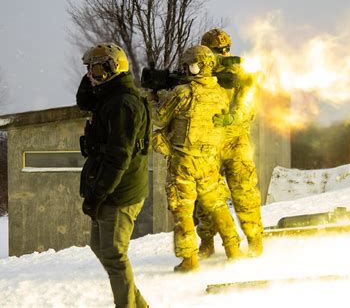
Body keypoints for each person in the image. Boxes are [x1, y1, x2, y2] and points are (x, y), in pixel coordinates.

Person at [150, 45, 242, 272]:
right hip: (209, 161)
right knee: (218, 205)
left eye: (189, 65)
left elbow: (159, 119)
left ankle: (189, 260)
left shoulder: (182, 94)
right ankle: (233, 249)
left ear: (196, 66)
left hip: (184, 162)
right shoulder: (220, 92)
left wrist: (154, 97)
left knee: (182, 210)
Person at [77, 42, 151, 308]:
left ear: (112, 68)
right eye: (89, 70)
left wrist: (99, 194)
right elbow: (83, 101)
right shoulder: (109, 95)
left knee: (114, 255)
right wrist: (90, 80)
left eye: (96, 69)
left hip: (119, 193)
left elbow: (119, 156)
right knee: (101, 248)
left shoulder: (123, 103)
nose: (91, 76)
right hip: (110, 188)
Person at [196, 28, 264, 258]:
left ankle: (254, 239)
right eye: (216, 51)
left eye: (225, 50)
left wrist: (233, 116)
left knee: (244, 192)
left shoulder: (241, 73)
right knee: (207, 197)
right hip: (208, 142)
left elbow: (248, 103)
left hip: (235, 140)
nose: (221, 54)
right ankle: (206, 241)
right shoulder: (197, 73)